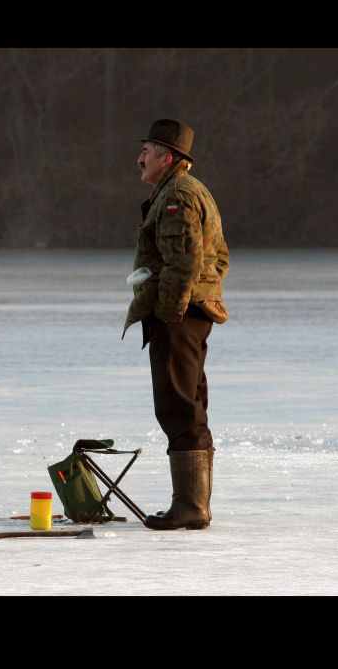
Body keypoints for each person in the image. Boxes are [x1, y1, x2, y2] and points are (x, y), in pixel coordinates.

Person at [121, 119, 229, 530]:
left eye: (145, 151)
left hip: (179, 316)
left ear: (167, 157)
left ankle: (191, 507)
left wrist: (168, 314)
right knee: (189, 404)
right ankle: (193, 505)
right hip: (192, 313)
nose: (139, 159)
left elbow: (184, 264)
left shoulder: (178, 196)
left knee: (178, 405)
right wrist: (204, 292)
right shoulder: (189, 190)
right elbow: (218, 257)